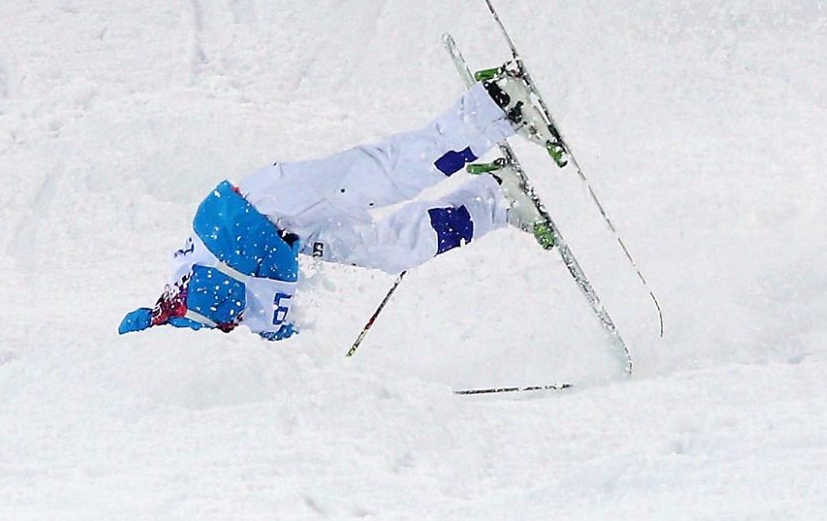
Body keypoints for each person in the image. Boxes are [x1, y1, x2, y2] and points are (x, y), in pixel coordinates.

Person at [118, 62, 560, 340]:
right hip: (288, 239)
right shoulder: (231, 344)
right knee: (392, 251)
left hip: (267, 211)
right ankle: (497, 198)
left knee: (390, 175)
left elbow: (136, 328)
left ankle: (499, 104)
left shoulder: (180, 336)